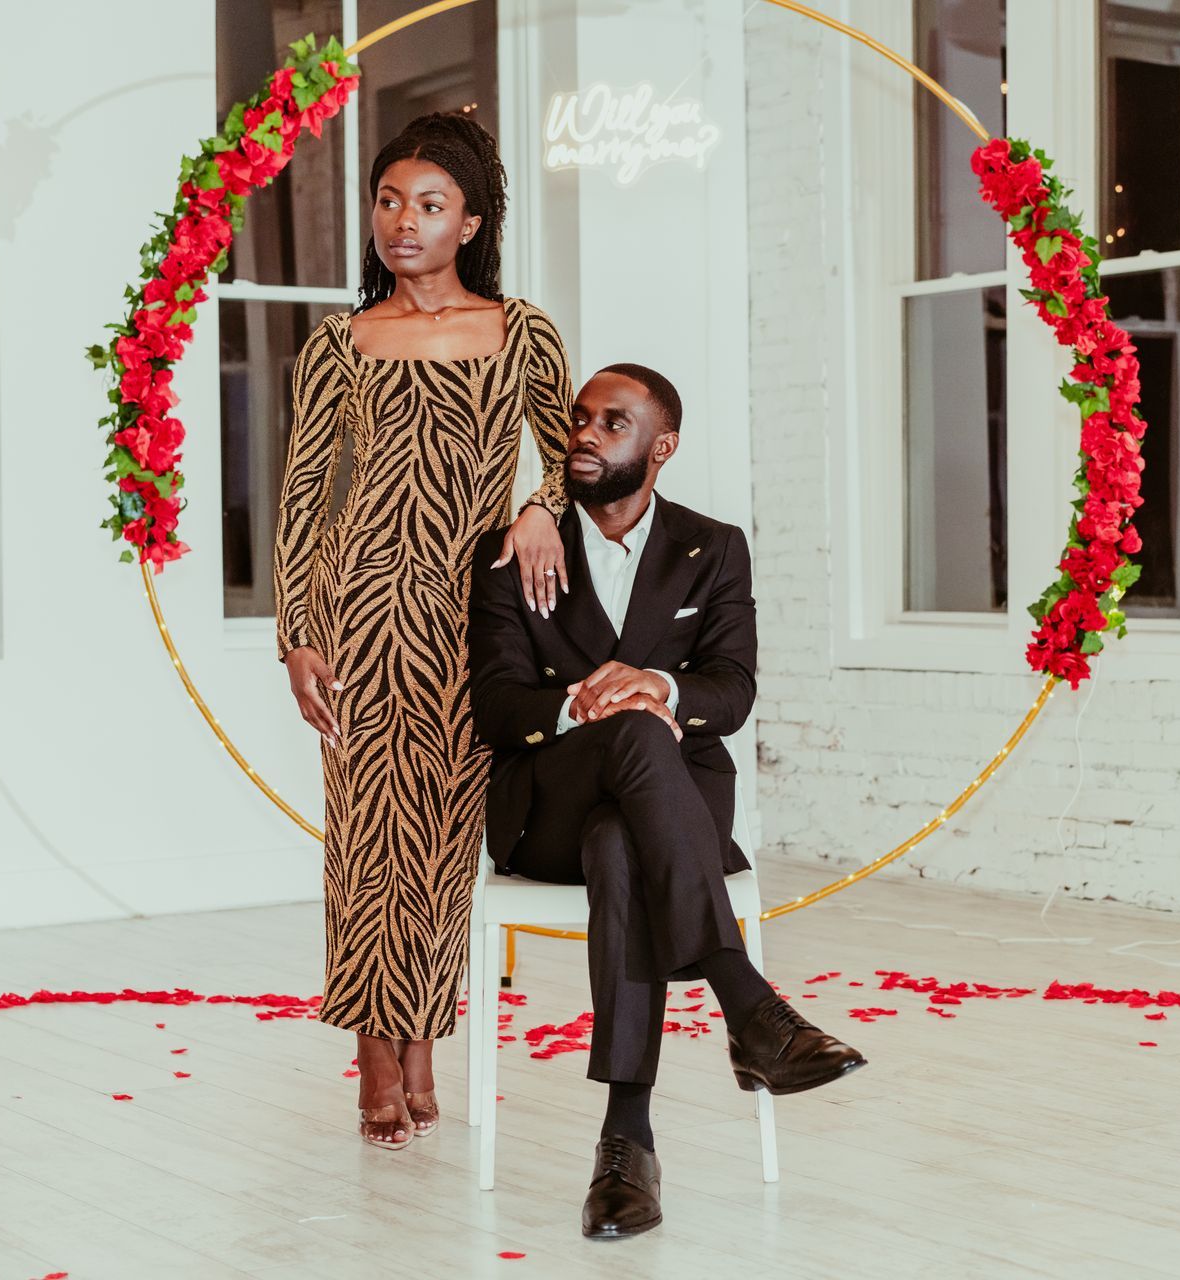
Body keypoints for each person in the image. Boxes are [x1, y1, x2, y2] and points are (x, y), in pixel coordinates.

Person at [467, 364, 868, 1239]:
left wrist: (654, 683)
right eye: (580, 418)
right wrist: (584, 702)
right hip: (548, 806)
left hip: (666, 808)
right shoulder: (515, 553)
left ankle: (625, 1145)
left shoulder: (712, 545)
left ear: (663, 446)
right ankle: (747, 1003)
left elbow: (732, 689)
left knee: (625, 841)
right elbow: (496, 708)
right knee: (637, 739)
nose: (585, 433)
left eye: (614, 424)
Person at [273, 112, 575, 1152]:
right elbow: (307, 493)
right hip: (361, 611)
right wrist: (296, 633)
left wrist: (539, 505)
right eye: (389, 200)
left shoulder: (522, 331)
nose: (403, 222)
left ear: (471, 222)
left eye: (430, 205)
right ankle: (371, 1050)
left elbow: (567, 455)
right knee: (365, 839)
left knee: (444, 840)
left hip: (476, 621)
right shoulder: (339, 344)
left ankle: (423, 1044)